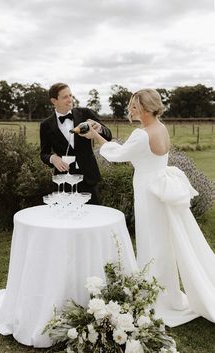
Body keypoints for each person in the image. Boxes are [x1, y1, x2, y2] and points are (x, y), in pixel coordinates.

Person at [80, 88, 215, 327]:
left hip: (148, 192)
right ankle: (168, 294)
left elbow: (118, 155)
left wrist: (96, 138)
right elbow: (139, 157)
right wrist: (102, 135)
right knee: (163, 242)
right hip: (160, 189)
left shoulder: (141, 134)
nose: (131, 109)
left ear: (144, 108)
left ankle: (157, 296)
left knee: (151, 240)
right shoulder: (161, 128)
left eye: (134, 106)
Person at [40, 83, 112, 204]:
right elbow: (44, 154)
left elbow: (108, 135)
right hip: (64, 180)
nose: (70, 100)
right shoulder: (46, 125)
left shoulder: (85, 114)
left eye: (70, 95)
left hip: (88, 178)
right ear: (54, 101)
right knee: (67, 219)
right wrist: (53, 158)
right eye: (65, 97)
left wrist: (99, 128)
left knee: (93, 217)